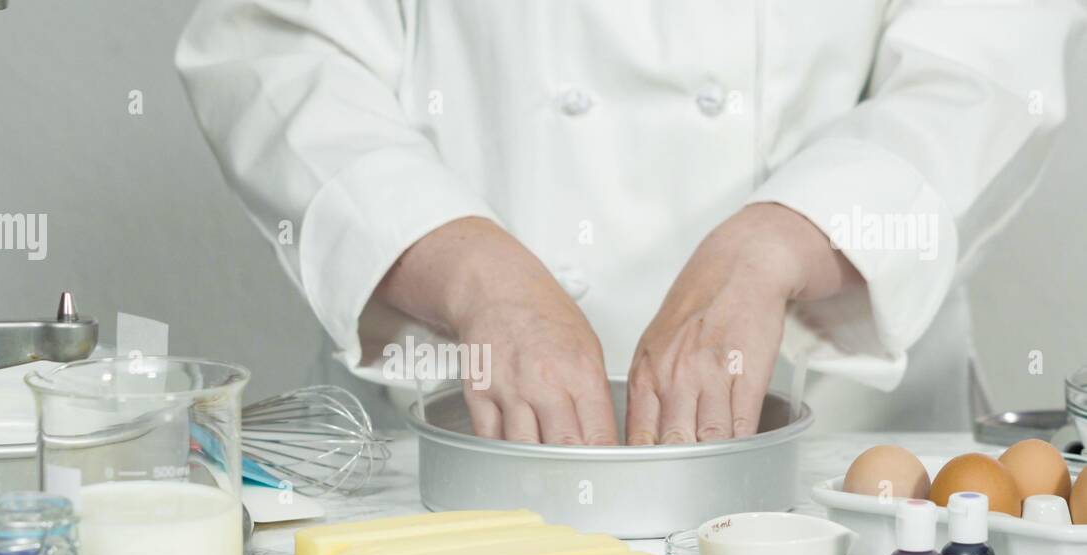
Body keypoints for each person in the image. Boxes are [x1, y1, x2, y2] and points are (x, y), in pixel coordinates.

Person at [176, 0, 1083, 444]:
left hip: (842, 450)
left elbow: (991, 61)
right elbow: (274, 47)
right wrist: (471, 268)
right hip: (453, 434)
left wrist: (781, 240)